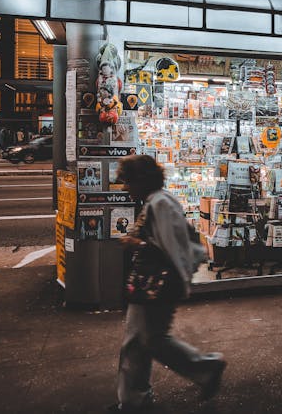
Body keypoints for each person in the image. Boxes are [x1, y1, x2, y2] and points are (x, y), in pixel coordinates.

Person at [111, 155, 225, 413]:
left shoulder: (160, 204)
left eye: (128, 182)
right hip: (153, 285)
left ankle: (206, 367)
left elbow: (172, 249)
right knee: (141, 342)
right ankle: (133, 398)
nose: (125, 188)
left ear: (141, 181)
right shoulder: (156, 201)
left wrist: (137, 244)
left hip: (158, 286)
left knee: (148, 341)